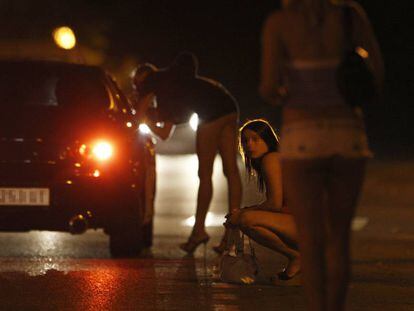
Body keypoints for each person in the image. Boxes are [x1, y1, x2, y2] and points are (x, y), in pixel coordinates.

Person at [259, 1, 384, 310]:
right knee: (339, 239)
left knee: (311, 241)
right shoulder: (350, 15)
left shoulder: (280, 22)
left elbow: (268, 86)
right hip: (347, 135)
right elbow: (376, 75)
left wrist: (288, 90)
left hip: (302, 137)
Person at [134, 52, 242, 254]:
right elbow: (165, 131)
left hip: (211, 113)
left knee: (205, 174)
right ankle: (233, 234)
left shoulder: (153, 83)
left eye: (136, 83)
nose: (136, 88)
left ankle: (199, 231)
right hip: (228, 105)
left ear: (143, 77)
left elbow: (140, 116)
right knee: (231, 171)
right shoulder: (171, 83)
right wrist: (149, 119)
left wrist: (140, 118)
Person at [229, 119, 300, 281]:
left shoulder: (271, 159)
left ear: (267, 140)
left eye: (255, 139)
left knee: (245, 219)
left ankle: (297, 256)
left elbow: (274, 204)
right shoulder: (274, 159)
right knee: (243, 217)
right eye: (245, 141)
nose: (249, 145)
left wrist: (244, 212)